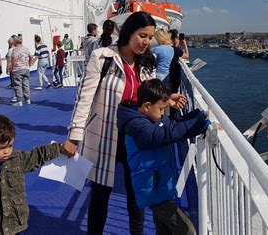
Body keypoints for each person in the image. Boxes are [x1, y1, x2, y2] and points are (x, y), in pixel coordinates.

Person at [62, 12, 186, 235]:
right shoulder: (103, 57)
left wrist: (169, 98)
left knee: (135, 195)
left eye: (149, 37)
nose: (146, 42)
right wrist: (73, 136)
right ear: (129, 32)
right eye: (142, 35)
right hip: (103, 135)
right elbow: (84, 98)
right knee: (100, 194)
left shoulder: (147, 62)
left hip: (134, 136)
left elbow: (148, 95)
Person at [117, 79, 209, 235]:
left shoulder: (150, 119)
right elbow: (165, 133)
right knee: (187, 230)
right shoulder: (138, 127)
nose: (163, 114)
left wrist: (196, 115)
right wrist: (199, 124)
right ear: (146, 106)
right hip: (153, 190)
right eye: (161, 109)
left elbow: (172, 125)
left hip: (159, 188)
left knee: (163, 230)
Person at [7, 36, 34, 106]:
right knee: (26, 84)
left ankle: (19, 101)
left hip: (18, 69)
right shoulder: (26, 48)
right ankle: (27, 99)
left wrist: (12, 68)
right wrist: (29, 64)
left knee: (17, 85)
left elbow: (15, 60)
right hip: (26, 69)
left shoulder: (15, 50)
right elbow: (31, 56)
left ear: (15, 42)